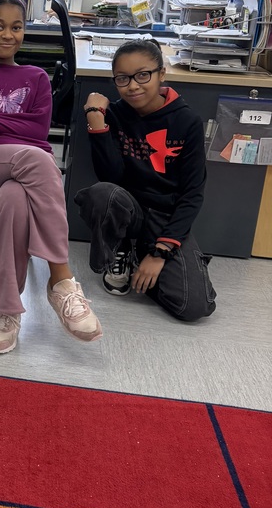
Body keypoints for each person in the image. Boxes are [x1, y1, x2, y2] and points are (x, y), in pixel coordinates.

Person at [0, 0, 102, 353]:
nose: (8, 35)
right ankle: (61, 279)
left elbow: (37, 130)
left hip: (21, 172)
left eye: (16, 27)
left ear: (24, 32)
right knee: (37, 159)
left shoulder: (36, 77)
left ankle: (4, 312)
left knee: (16, 198)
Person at [75, 38, 216, 321]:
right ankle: (121, 247)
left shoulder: (186, 121)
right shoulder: (114, 114)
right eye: (123, 78)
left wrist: (160, 252)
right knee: (103, 194)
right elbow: (110, 177)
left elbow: (192, 194)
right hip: (129, 207)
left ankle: (144, 253)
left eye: (143, 75)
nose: (133, 86)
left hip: (165, 216)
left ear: (161, 74)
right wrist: (96, 120)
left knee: (194, 307)